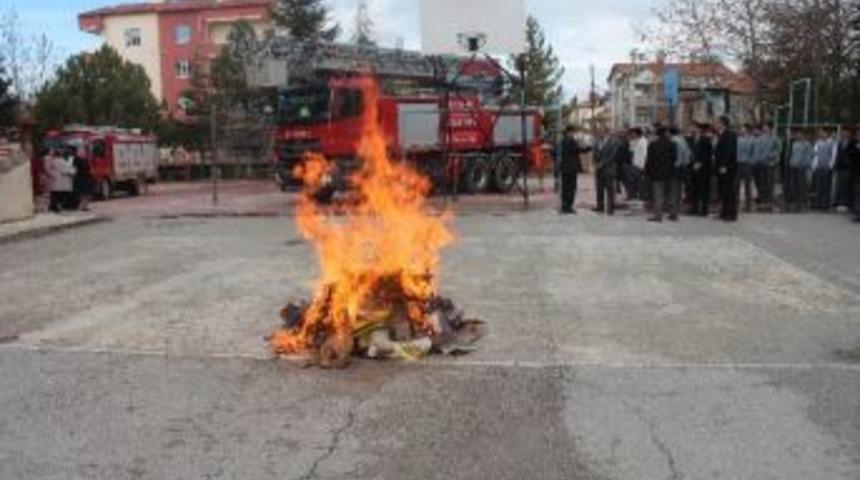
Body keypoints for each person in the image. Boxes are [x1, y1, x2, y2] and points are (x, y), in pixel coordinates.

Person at [644, 126, 678, 222]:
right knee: (672, 194)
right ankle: (673, 214)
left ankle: (658, 215)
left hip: (657, 174)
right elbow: (675, 158)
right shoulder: (673, 144)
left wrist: (647, 172)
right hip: (671, 173)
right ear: (665, 133)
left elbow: (649, 160)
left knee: (658, 195)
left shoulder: (653, 145)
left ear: (657, 134)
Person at [593, 130, 625, 214]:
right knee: (599, 189)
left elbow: (612, 156)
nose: (599, 134)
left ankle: (610, 208)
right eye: (599, 133)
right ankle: (600, 206)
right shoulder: (596, 142)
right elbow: (594, 154)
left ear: (606, 133)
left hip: (609, 169)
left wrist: (602, 164)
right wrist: (595, 163)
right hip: (599, 170)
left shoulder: (613, 142)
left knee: (610, 189)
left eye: (601, 132)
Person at [559, 125, 589, 214]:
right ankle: (568, 207)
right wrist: (587, 148)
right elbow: (575, 149)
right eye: (573, 132)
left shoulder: (564, 140)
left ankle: (565, 206)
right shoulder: (569, 140)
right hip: (570, 168)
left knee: (565, 188)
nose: (574, 134)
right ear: (570, 132)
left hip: (565, 168)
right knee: (571, 187)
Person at [714, 116, 739, 222]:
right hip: (721, 167)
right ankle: (724, 212)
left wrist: (724, 165)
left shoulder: (729, 134)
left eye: (718, 122)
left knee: (729, 191)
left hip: (728, 168)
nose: (716, 124)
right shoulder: (722, 134)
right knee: (723, 191)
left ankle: (731, 214)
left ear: (723, 123)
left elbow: (729, 151)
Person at [753, 124, 782, 211]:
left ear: (770, 128)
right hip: (761, 163)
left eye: (766, 127)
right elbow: (756, 150)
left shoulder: (775, 138)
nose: (765, 129)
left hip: (770, 163)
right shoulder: (759, 138)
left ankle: (769, 199)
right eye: (764, 127)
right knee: (762, 182)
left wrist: (771, 156)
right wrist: (757, 159)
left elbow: (779, 150)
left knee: (769, 182)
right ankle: (763, 198)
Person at [689, 123, 714, 216]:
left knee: (704, 190)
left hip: (704, 169)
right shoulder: (692, 139)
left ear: (698, 129)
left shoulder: (705, 139)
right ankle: (694, 208)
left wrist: (701, 163)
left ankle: (704, 210)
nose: (691, 129)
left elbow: (709, 154)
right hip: (694, 168)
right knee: (694, 189)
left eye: (693, 127)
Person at [788, 128, 815, 212]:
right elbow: (793, 154)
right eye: (796, 134)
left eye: (799, 134)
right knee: (794, 184)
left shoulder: (806, 144)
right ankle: (796, 201)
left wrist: (806, 164)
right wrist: (791, 162)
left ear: (803, 135)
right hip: (794, 166)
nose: (797, 135)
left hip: (802, 167)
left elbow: (810, 155)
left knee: (802, 185)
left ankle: (802, 201)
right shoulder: (795, 144)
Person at [811, 128, 837, 210]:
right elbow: (815, 155)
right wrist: (814, 166)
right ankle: (817, 204)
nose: (822, 134)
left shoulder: (831, 143)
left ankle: (825, 204)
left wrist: (830, 166)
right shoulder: (817, 142)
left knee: (826, 186)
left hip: (826, 167)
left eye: (823, 133)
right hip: (818, 167)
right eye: (821, 133)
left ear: (827, 133)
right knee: (818, 186)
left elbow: (833, 155)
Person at [45, 148, 76, 212]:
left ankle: (53, 206)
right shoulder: (59, 161)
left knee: (55, 194)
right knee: (58, 194)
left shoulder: (54, 160)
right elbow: (67, 169)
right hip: (61, 180)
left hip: (58, 180)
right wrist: (72, 172)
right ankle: (57, 206)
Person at [623, 127, 648, 201]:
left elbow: (645, 154)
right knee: (634, 182)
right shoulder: (636, 141)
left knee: (640, 183)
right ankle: (635, 196)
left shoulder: (643, 141)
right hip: (635, 165)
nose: (632, 135)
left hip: (640, 166)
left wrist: (643, 166)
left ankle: (642, 197)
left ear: (637, 133)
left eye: (633, 133)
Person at [736, 124, 756, 212]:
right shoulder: (738, 139)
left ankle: (749, 202)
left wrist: (751, 161)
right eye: (741, 129)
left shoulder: (752, 140)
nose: (741, 130)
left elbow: (754, 151)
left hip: (747, 163)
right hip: (738, 163)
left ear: (747, 130)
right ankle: (736, 200)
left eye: (743, 129)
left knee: (748, 183)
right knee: (736, 183)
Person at [72, 147, 94, 211]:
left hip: (86, 177)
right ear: (78, 153)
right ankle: (81, 205)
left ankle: (85, 205)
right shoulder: (76, 159)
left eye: (83, 152)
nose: (82, 153)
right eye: (81, 152)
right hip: (79, 177)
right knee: (81, 193)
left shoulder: (86, 159)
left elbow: (88, 168)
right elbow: (74, 168)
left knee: (86, 192)